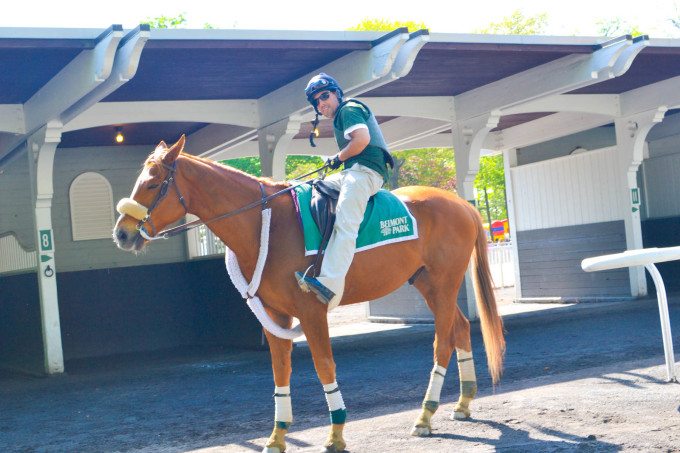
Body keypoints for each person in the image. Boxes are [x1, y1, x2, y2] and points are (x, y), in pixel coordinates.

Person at [296, 73, 392, 307]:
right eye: (316, 101)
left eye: (325, 96)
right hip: (352, 172)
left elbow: (361, 140)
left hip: (367, 173)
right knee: (313, 189)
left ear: (336, 93)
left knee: (346, 224)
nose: (321, 103)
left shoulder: (349, 109)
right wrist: (337, 160)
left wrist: (338, 157)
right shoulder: (341, 115)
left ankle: (329, 286)